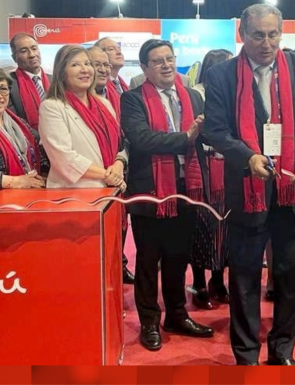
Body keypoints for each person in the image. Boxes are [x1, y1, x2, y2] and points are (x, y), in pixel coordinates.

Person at [204, 3, 295, 365]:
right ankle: (246, 355)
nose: (267, 43)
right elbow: (215, 130)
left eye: (273, 34)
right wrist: (247, 157)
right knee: (244, 277)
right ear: (242, 34)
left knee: (293, 275)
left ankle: (282, 351)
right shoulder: (222, 75)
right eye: (258, 35)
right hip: (248, 192)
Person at [120, 39, 213, 351]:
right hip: (151, 191)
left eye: (170, 59)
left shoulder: (193, 97)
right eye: (158, 61)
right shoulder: (132, 99)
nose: (166, 65)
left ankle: (176, 314)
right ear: (144, 68)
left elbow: (204, 137)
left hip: (187, 188)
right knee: (149, 260)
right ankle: (149, 321)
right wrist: (186, 137)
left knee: (178, 256)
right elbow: (142, 139)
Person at [38, 45, 126, 191]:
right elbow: (64, 159)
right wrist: (107, 175)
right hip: (74, 193)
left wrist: (119, 163)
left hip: (111, 189)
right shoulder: (52, 107)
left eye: (87, 63)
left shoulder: (104, 104)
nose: (85, 69)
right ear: (62, 73)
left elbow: (121, 144)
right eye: (75, 65)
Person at [189, 48, 233, 310]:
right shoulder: (196, 94)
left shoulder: (232, 92)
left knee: (224, 227)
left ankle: (218, 280)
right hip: (203, 167)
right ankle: (199, 283)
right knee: (201, 226)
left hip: (228, 167)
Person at [96, 37, 136, 284]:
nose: (117, 52)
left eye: (117, 48)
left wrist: (122, 159)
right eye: (110, 49)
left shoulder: (122, 85)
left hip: (124, 160)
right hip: (101, 169)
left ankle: (118, 263)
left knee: (123, 217)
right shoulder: (95, 93)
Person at [8, 33, 51, 130]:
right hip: (27, 137)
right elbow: (13, 120)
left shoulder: (55, 81)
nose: (32, 55)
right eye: (24, 51)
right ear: (14, 57)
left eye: (34, 48)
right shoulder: (9, 84)